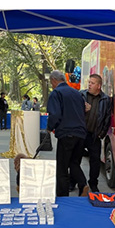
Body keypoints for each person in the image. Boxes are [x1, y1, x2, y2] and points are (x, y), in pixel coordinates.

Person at [46, 67, 88, 196]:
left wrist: (49, 127)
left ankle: (62, 195)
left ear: (53, 80)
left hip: (66, 133)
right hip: (80, 133)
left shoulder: (56, 93)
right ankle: (83, 184)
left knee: (62, 167)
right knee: (74, 162)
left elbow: (55, 114)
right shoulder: (77, 93)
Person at [78, 73, 113, 194]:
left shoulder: (105, 99)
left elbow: (107, 118)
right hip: (81, 134)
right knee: (75, 160)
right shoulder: (81, 95)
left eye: (92, 83)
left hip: (94, 136)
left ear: (98, 86)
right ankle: (74, 182)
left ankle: (93, 184)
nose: (89, 85)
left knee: (95, 162)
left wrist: (102, 134)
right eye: (89, 82)